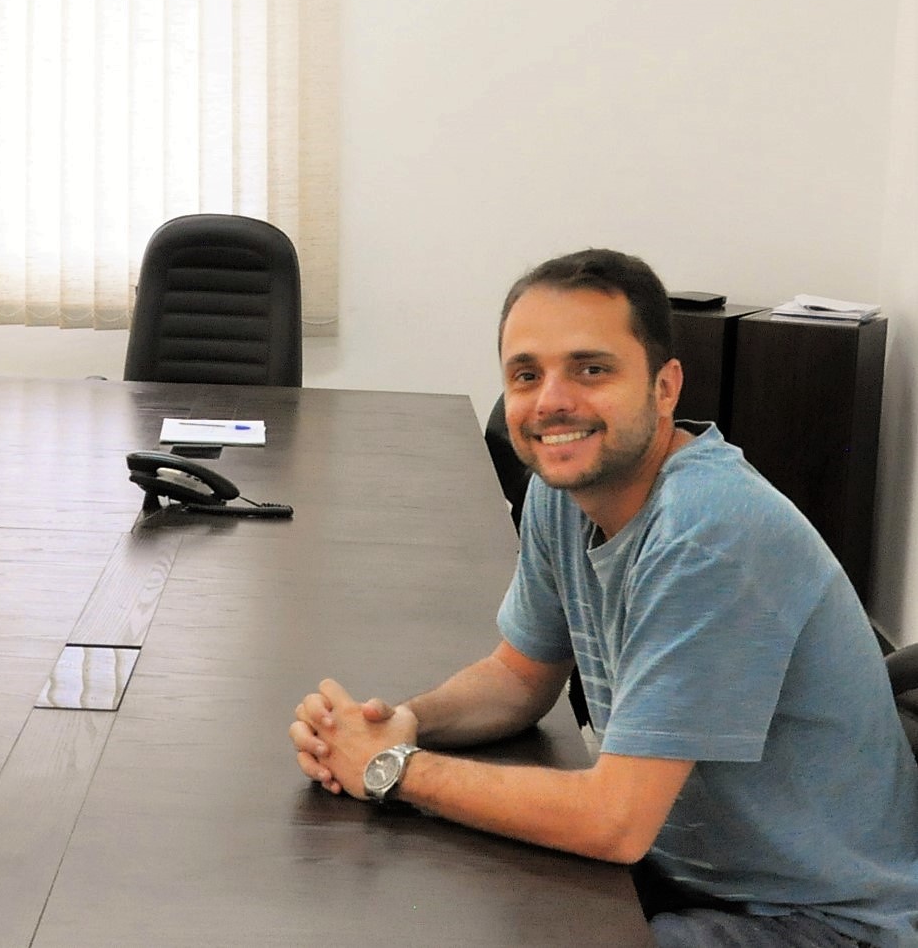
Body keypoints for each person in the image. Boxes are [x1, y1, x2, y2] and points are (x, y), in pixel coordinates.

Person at [289, 248, 918, 948]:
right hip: (688, 872)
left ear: (664, 386)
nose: (551, 399)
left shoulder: (707, 528)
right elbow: (516, 679)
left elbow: (613, 822)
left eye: (590, 368)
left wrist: (391, 771)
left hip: (827, 920)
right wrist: (397, 723)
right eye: (526, 374)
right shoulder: (563, 494)